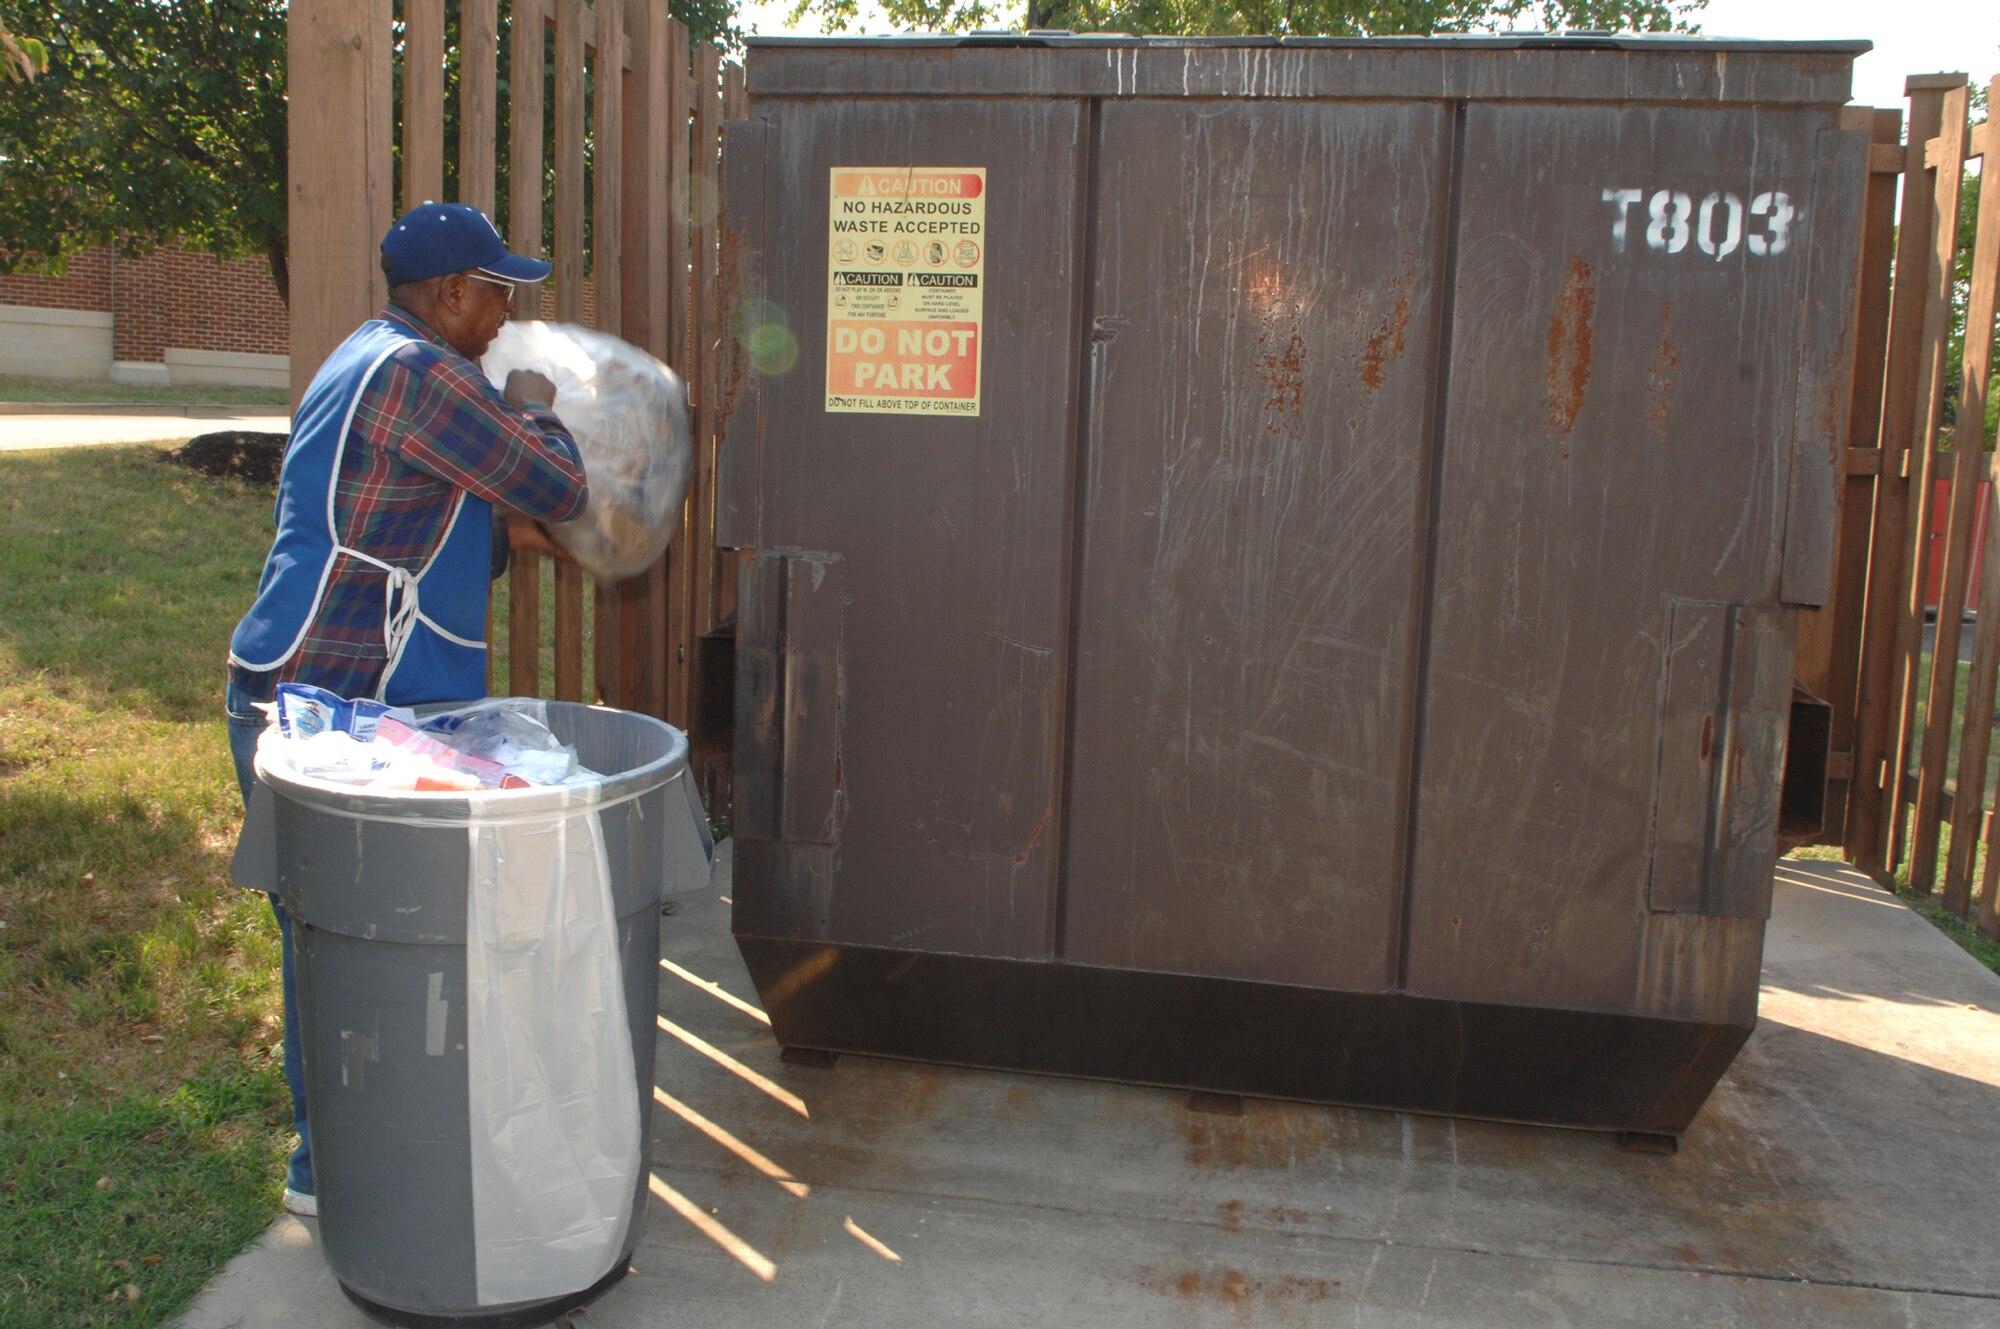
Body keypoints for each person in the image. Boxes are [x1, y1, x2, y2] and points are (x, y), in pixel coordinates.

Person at [224, 203, 588, 1218]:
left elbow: (411, 501)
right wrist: (535, 406)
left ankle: (347, 1156)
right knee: (343, 948)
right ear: (448, 295)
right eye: (496, 290)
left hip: (298, 688)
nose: (506, 310)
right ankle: (331, 1174)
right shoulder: (425, 377)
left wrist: (499, 533)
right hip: (324, 711)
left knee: (339, 943)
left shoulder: (369, 353)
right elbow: (552, 482)